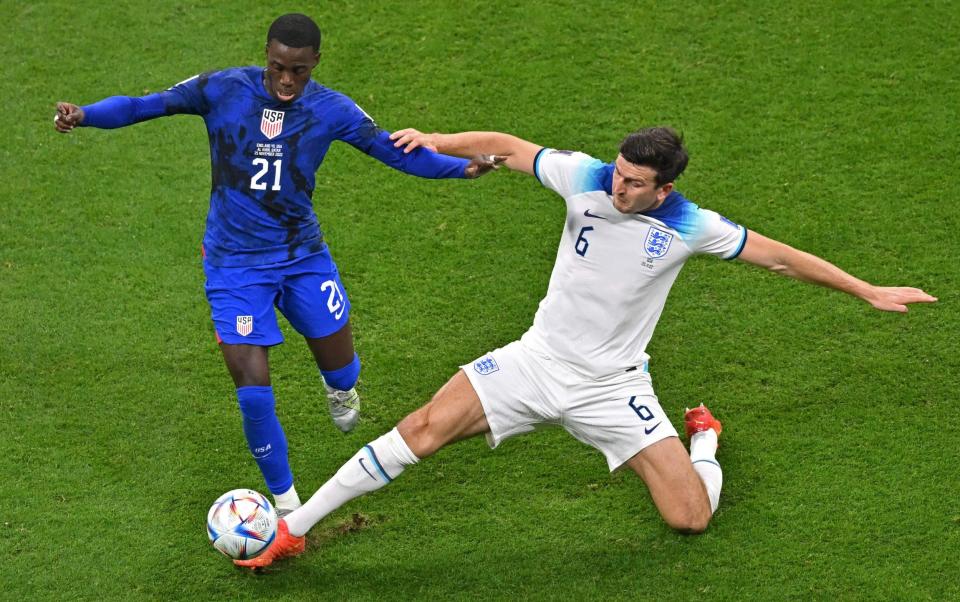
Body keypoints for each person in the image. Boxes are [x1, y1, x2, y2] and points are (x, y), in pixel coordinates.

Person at [234, 125, 937, 568]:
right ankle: (293, 529)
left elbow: (782, 258)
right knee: (421, 428)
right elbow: (508, 149)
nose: (619, 185)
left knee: (689, 519)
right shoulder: (587, 175)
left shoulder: (693, 225)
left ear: (666, 189)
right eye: (620, 173)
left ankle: (706, 445)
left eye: (636, 182)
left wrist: (868, 290)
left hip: (613, 388)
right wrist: (436, 139)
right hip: (536, 361)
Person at [52, 14, 500, 515]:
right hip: (233, 265)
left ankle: (340, 389)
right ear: (266, 55)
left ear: (315, 64)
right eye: (278, 67)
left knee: (343, 367)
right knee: (252, 390)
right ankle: (286, 507)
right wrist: (85, 114)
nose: (287, 80)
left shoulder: (333, 109)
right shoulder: (221, 88)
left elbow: (393, 151)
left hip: (301, 257)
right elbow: (143, 105)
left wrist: (461, 168)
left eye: (299, 71)